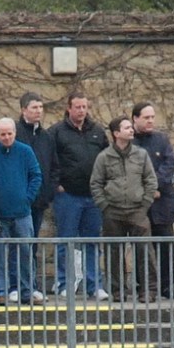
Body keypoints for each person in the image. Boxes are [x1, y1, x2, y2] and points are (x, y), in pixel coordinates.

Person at [49, 91, 109, 300]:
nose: (81, 111)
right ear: (69, 108)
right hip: (68, 196)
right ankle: (65, 282)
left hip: (93, 196)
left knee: (92, 241)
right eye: (77, 107)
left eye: (84, 107)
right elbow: (49, 160)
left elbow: (106, 159)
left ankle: (94, 285)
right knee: (66, 240)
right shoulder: (56, 132)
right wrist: (57, 185)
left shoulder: (98, 132)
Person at [91, 116, 158, 302]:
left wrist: (145, 203)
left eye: (131, 127)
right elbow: (96, 183)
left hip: (137, 210)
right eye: (126, 127)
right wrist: (104, 205)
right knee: (114, 253)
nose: (131, 130)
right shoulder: (104, 157)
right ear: (116, 133)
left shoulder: (141, 155)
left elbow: (150, 180)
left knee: (144, 251)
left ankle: (148, 290)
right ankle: (118, 291)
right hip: (113, 211)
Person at [0, 117, 43, 305]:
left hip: (22, 213)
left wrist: (27, 198)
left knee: (26, 253)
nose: (6, 137)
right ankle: (0, 292)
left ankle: (27, 290)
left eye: (9, 134)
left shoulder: (25, 152)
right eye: (2, 134)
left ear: (14, 133)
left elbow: (36, 175)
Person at [131, 102, 174, 299]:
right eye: (146, 117)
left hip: (162, 202)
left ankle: (167, 285)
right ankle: (143, 285)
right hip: (138, 203)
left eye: (152, 117)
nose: (151, 121)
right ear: (135, 118)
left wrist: (154, 187)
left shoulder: (161, 140)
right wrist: (147, 191)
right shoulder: (129, 142)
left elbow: (169, 164)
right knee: (140, 246)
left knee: (165, 244)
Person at [16, 92, 59, 297]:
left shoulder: (46, 136)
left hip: (39, 201)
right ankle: (14, 285)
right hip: (17, 203)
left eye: (41, 107)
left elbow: (54, 168)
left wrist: (47, 193)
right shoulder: (14, 133)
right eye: (34, 107)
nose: (38, 111)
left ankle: (30, 285)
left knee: (31, 245)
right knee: (17, 246)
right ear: (24, 110)